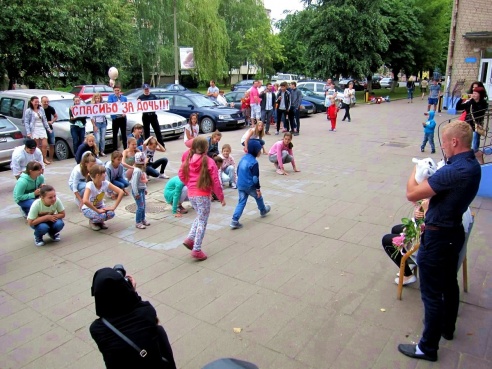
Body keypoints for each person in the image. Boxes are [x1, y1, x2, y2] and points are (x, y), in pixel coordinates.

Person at [398, 120, 481, 362]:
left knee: (432, 294)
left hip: (438, 236)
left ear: (454, 142)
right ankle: (447, 328)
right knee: (448, 285)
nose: (442, 147)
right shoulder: (471, 164)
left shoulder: (453, 171)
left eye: (444, 142)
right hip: (452, 233)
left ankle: (427, 348)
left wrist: (416, 170)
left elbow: (412, 193)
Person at [90, 267, 177, 369]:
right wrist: (132, 291)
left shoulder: (97, 329)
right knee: (159, 330)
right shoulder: (146, 312)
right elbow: (138, 307)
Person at [178, 137, 225, 261]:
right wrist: (221, 197)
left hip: (192, 194)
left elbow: (181, 174)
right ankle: (197, 249)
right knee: (203, 221)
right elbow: (215, 180)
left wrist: (189, 184)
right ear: (206, 148)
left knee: (200, 216)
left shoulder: (188, 159)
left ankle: (190, 238)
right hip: (203, 194)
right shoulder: (209, 161)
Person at [230, 140, 271, 229]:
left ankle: (234, 220)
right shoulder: (254, 162)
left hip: (240, 184)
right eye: (259, 150)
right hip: (250, 185)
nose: (260, 151)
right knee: (258, 197)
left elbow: (237, 170)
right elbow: (255, 178)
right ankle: (263, 210)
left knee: (241, 202)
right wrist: (258, 189)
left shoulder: (243, 158)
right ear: (256, 151)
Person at [82, 164, 124, 231]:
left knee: (111, 213)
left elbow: (121, 192)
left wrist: (114, 207)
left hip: (100, 207)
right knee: (102, 215)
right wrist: (97, 210)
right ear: (97, 175)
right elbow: (85, 201)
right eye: (104, 173)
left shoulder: (105, 183)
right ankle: (93, 222)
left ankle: (100, 222)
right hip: (88, 209)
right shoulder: (89, 185)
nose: (105, 174)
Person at [456, 86, 489, 152]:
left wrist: (472, 101)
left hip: (475, 127)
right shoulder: (471, 102)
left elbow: (478, 112)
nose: (473, 95)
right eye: (473, 93)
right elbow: (458, 107)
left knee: (474, 146)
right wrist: (462, 99)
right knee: (465, 145)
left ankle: (475, 158)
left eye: (476, 93)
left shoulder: (483, 103)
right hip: (467, 126)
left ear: (480, 95)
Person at [24, 96, 52, 165]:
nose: (36, 103)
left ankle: (44, 158)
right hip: (34, 128)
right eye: (35, 102)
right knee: (36, 146)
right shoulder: (28, 111)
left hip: (41, 128)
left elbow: (44, 119)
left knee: (44, 145)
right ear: (31, 102)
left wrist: (48, 128)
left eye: (37, 102)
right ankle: (38, 160)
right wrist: (28, 132)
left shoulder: (41, 109)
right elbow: (26, 122)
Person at [130, 152, 150, 229]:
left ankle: (143, 219)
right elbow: (134, 183)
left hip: (141, 190)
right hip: (137, 191)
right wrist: (136, 193)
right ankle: (138, 222)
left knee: (143, 206)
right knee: (140, 207)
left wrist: (145, 189)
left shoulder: (141, 170)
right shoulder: (137, 171)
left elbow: (142, 181)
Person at [107, 85, 128, 150]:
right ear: (113, 91)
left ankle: (125, 148)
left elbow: (126, 107)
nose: (117, 92)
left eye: (118, 90)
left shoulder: (124, 98)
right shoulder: (111, 97)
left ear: (120, 90)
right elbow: (110, 104)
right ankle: (115, 149)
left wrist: (124, 113)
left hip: (122, 118)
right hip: (115, 118)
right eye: (115, 90)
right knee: (115, 134)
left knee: (124, 134)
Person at [41, 96, 58, 162]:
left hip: (49, 127)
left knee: (52, 143)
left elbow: (56, 116)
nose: (46, 103)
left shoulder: (51, 108)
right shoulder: (39, 109)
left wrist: (52, 121)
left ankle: (51, 159)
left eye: (47, 102)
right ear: (41, 102)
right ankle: (43, 159)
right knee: (43, 145)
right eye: (44, 102)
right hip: (41, 128)